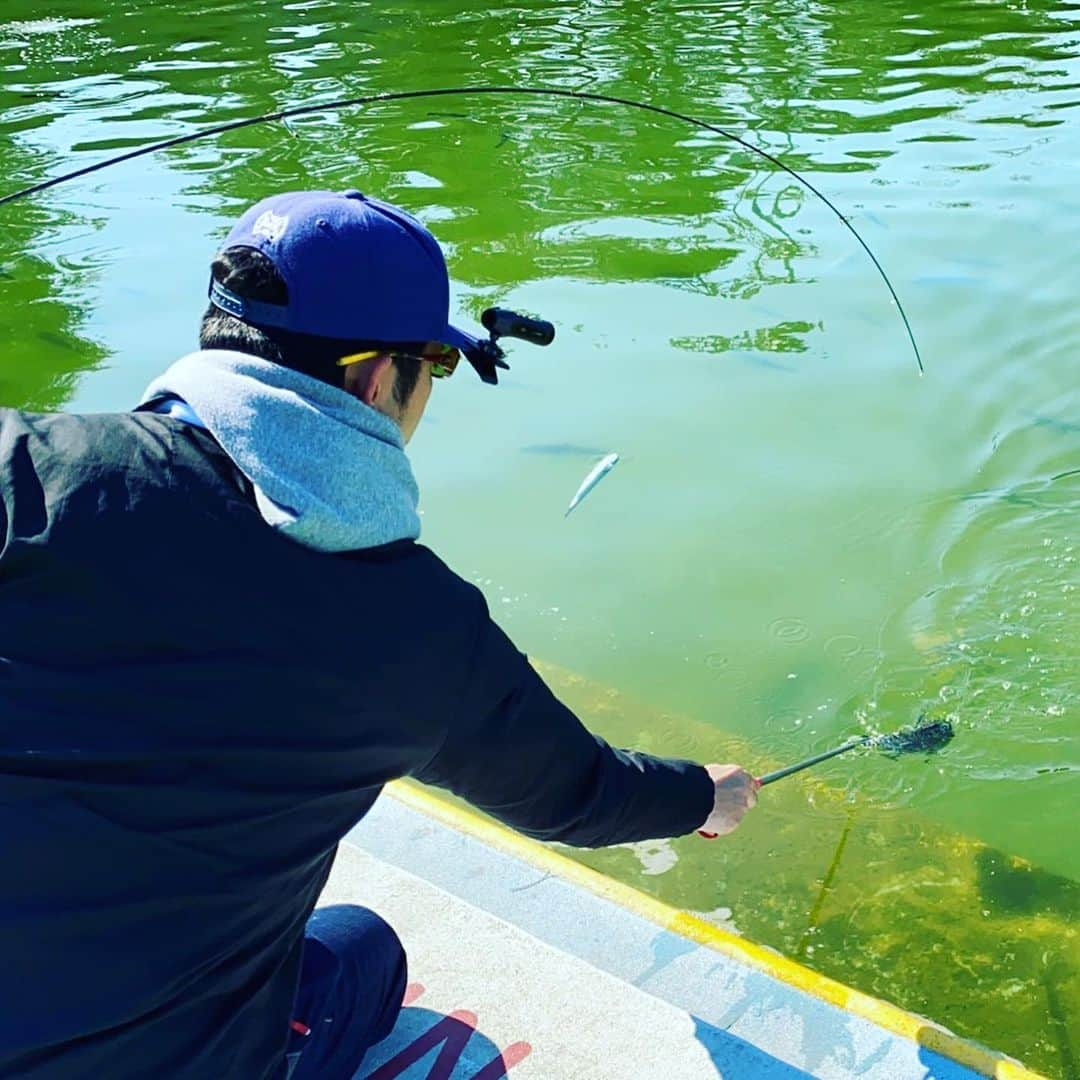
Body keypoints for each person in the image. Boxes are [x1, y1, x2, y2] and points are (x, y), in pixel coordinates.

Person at [0, 189, 759, 1079]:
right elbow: (575, 795)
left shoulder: (23, 471)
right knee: (363, 950)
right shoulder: (414, 629)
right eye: (433, 367)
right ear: (373, 380)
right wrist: (704, 795)